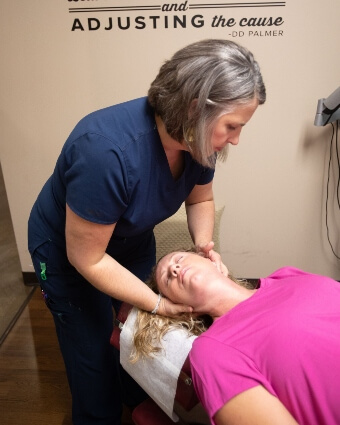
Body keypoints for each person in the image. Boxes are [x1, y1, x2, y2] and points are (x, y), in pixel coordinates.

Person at [27, 38, 266, 425]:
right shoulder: (105, 152)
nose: (236, 139)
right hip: (68, 254)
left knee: (135, 337)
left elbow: (200, 200)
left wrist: (203, 245)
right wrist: (157, 303)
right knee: (92, 356)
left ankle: (133, 400)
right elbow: (87, 257)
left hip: (130, 240)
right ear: (195, 109)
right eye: (232, 126)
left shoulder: (196, 142)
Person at [133, 249, 340, 425]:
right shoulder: (211, 352)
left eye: (179, 259)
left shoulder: (286, 276)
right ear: (179, 308)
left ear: (211, 259)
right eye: (167, 279)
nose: (174, 269)